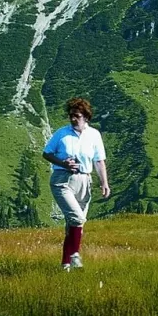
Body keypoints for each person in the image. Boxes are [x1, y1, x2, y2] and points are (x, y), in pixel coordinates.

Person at [42, 97, 110, 270]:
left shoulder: (94, 135)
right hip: (62, 180)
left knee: (73, 225)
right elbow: (47, 153)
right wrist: (62, 163)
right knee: (78, 218)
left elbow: (99, 161)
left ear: (86, 117)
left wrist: (104, 183)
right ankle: (75, 255)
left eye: (77, 116)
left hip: (84, 181)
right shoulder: (61, 134)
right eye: (71, 115)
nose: (73, 119)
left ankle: (65, 265)